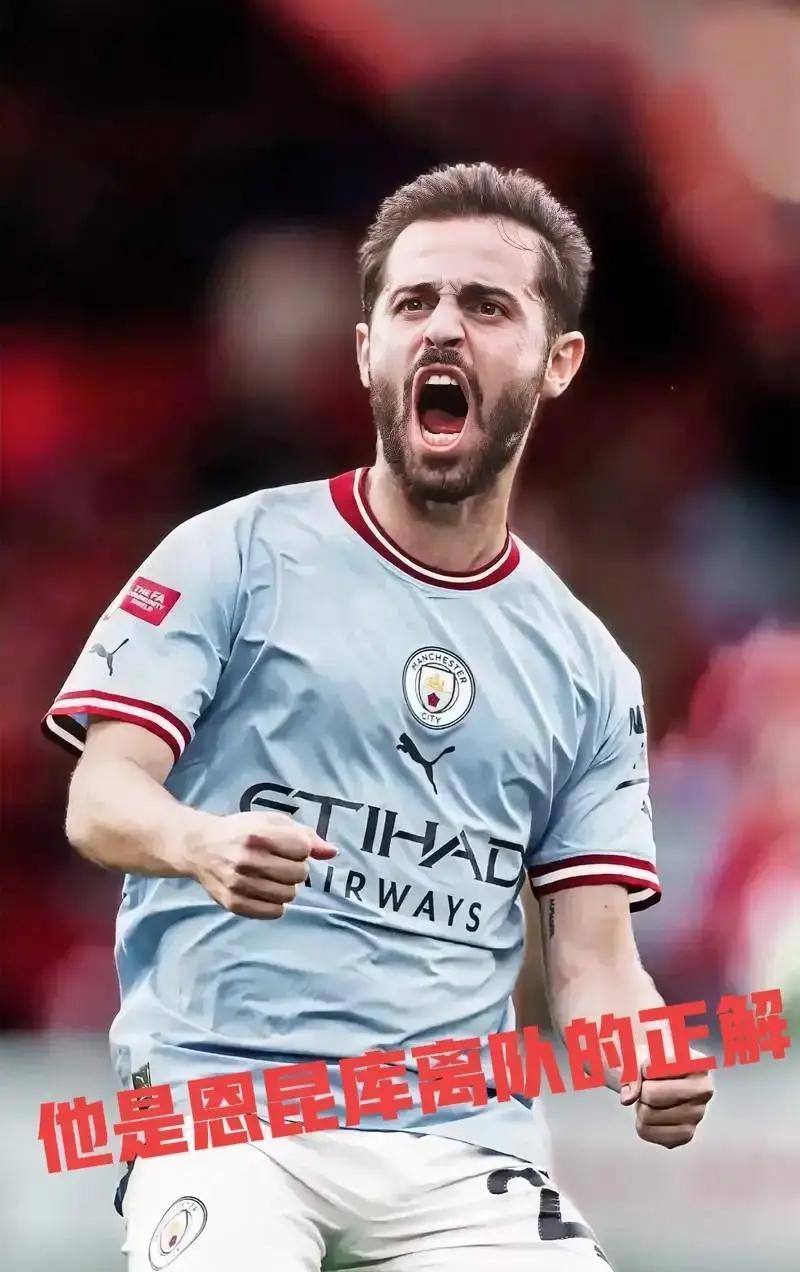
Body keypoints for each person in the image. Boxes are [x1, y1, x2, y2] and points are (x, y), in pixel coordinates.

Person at [44, 162, 713, 1272]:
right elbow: (99, 797)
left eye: (486, 306)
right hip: (225, 1112)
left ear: (557, 362)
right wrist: (198, 842)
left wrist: (644, 1050)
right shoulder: (233, 554)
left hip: (459, 1143)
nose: (442, 327)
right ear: (368, 350)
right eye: (414, 303)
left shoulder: (589, 669)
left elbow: (595, 965)